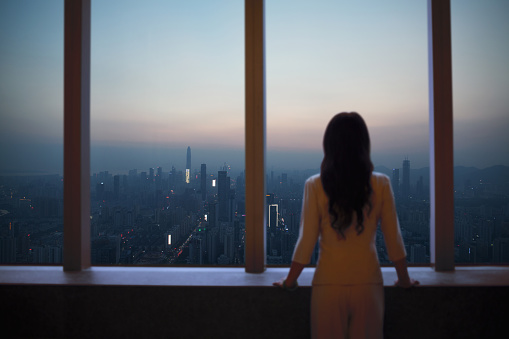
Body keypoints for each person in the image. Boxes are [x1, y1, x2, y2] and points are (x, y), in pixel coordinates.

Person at [273, 112, 418, 339]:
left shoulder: (315, 185)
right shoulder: (381, 184)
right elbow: (394, 238)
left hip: (328, 285)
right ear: (364, 144)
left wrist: (289, 281)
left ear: (329, 144)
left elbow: (306, 241)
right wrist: (405, 280)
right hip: (368, 285)